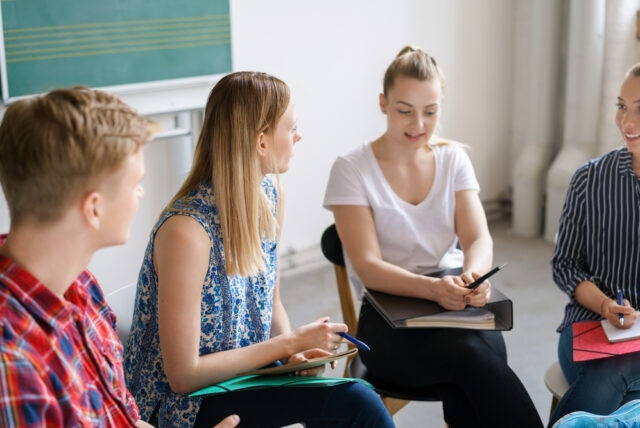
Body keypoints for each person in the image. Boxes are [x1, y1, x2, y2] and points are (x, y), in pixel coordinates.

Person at [123, 71, 394, 428]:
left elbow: (272, 302)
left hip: (244, 376)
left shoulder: (271, 195)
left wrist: (295, 355)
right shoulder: (186, 231)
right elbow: (183, 376)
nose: (299, 136)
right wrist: (286, 346)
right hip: (183, 405)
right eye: (291, 128)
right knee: (355, 401)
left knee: (343, 396)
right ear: (261, 141)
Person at [323, 46, 543, 427]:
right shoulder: (351, 169)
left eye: (431, 111)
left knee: (466, 369)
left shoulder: (453, 158)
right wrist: (434, 290)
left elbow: (478, 239)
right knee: (471, 358)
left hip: (452, 303)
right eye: (404, 110)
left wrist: (473, 277)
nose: (418, 125)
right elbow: (369, 268)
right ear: (383, 103)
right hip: (385, 316)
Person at [0, 87, 239, 428]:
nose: (141, 192)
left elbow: (122, 419)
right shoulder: (12, 362)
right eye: (136, 182)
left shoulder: (81, 285)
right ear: (94, 208)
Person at [549, 63, 640, 426]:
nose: (627, 122)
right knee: (618, 370)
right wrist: (605, 305)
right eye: (621, 106)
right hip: (591, 327)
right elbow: (566, 266)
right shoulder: (589, 178)